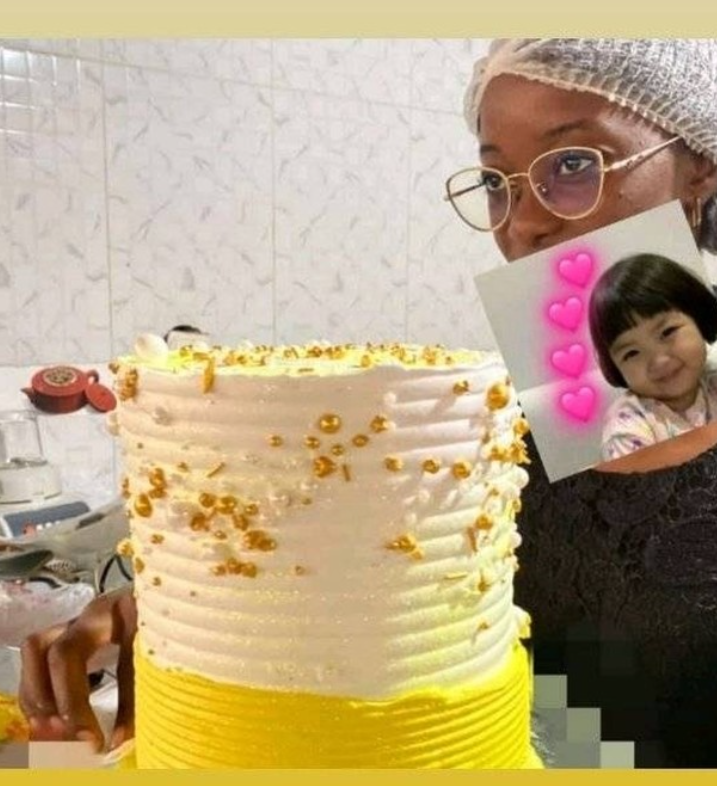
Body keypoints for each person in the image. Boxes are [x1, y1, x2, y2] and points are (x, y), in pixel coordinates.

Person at [19, 39, 717, 767]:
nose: (522, 223)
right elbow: (387, 615)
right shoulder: (476, 435)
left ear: (700, 167)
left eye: (573, 164)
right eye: (495, 181)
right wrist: (191, 621)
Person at [588, 253, 717, 460]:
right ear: (615, 367)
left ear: (698, 318)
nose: (659, 361)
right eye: (631, 353)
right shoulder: (627, 430)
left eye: (667, 332)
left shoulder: (712, 377)